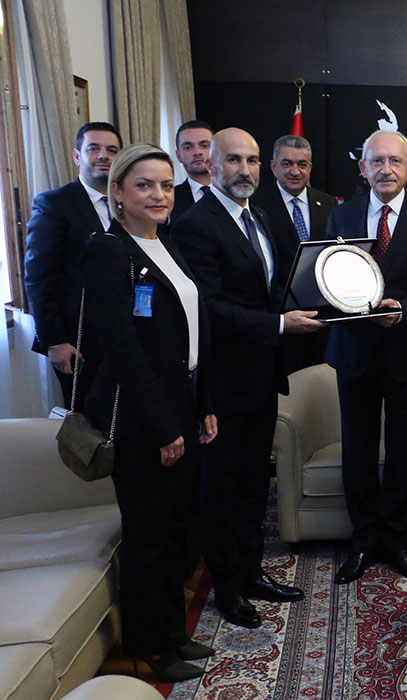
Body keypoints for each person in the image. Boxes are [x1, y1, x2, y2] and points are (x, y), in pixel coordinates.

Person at [173, 128, 320, 629]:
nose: (245, 170)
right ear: (210, 165)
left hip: (261, 375)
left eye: (253, 160)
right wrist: (279, 324)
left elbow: (271, 288)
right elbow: (210, 308)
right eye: (233, 160)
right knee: (223, 488)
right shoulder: (196, 225)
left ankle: (252, 571)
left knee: (256, 481)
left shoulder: (257, 215)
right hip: (222, 383)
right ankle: (228, 587)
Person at [82, 144, 217, 682]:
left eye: (165, 185)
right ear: (117, 191)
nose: (159, 195)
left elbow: (189, 334)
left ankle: (173, 633)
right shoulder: (107, 250)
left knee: (175, 529)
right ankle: (146, 646)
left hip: (182, 404)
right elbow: (123, 349)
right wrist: (164, 427)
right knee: (147, 536)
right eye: (144, 185)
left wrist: (202, 406)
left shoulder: (167, 243)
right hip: (143, 420)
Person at [324, 130, 407, 585]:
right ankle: (363, 538)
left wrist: (404, 310)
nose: (386, 169)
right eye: (376, 161)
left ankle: (397, 538)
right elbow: (326, 277)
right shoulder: (340, 215)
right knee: (357, 449)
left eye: (395, 161)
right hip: (353, 351)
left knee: (403, 450)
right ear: (363, 167)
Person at [25, 121, 123, 407]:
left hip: (126, 334)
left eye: (112, 150)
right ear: (77, 156)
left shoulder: (129, 201)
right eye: (94, 149)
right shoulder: (54, 204)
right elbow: (38, 278)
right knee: (87, 420)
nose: (103, 156)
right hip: (79, 341)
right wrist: (54, 341)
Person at [252, 134, 338, 370]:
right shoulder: (256, 205)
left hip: (323, 318)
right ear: (273, 166)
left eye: (302, 164)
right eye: (287, 163)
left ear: (310, 167)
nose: (295, 171)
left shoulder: (327, 202)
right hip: (281, 320)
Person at [172, 120, 213, 218]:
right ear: (178, 156)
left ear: (217, 150)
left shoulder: (235, 192)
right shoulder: (169, 199)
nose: (197, 152)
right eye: (188, 147)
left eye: (204, 146)